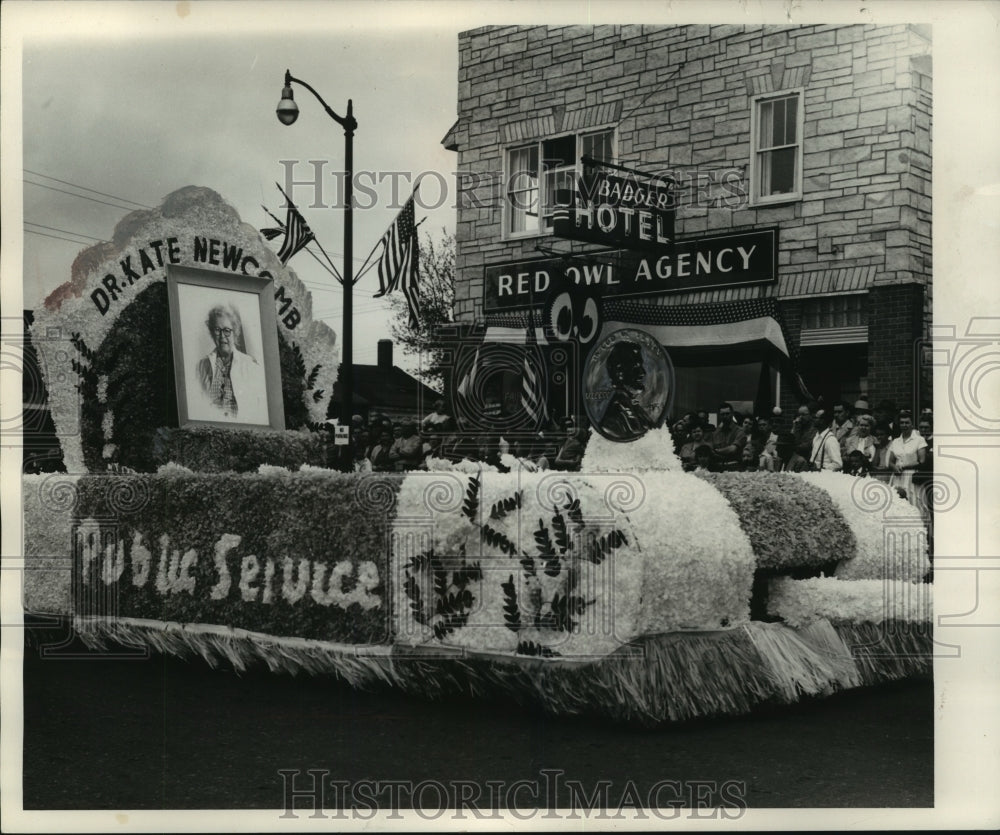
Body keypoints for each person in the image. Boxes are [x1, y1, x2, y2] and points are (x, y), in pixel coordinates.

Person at [195, 303, 268, 424]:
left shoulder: (251, 366)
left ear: (235, 332)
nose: (222, 336)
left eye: (227, 330)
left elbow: (259, 411)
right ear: (212, 332)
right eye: (217, 330)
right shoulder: (201, 366)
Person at [598, 341, 657, 441]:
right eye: (636, 367)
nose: (643, 373)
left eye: (641, 366)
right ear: (619, 372)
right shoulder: (614, 416)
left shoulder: (631, 404)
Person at [888, 410, 927, 505]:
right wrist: (894, 467)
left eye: (907, 422)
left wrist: (905, 466)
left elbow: (922, 461)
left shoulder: (919, 440)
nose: (904, 425)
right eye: (902, 423)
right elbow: (890, 461)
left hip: (911, 477)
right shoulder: (896, 441)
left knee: (912, 502)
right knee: (897, 503)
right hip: (897, 477)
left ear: (912, 424)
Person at [710, 402, 747, 468]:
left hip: (735, 467)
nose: (725, 416)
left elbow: (732, 450)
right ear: (719, 415)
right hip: (718, 467)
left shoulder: (740, 431)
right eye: (722, 414)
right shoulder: (716, 433)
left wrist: (716, 451)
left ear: (732, 414)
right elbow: (711, 451)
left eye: (727, 414)